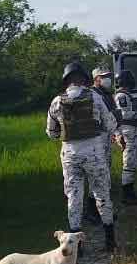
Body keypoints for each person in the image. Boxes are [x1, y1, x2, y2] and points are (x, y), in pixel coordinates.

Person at [46, 61, 119, 251]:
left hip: (70, 154)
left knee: (74, 197)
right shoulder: (94, 97)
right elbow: (110, 124)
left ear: (66, 80)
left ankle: (77, 248)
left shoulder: (57, 101)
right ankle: (110, 241)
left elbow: (52, 133)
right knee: (102, 194)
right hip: (94, 152)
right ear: (83, 79)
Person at [83, 66, 120, 225]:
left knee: (104, 177)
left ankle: (102, 211)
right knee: (96, 177)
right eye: (104, 76)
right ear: (96, 78)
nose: (108, 79)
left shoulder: (106, 95)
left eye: (109, 76)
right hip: (96, 142)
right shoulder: (92, 95)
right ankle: (92, 212)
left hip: (104, 140)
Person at [113, 70, 137, 205]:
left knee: (132, 162)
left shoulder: (126, 95)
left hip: (132, 131)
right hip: (128, 131)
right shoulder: (121, 96)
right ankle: (127, 195)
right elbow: (124, 114)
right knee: (129, 163)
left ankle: (130, 192)